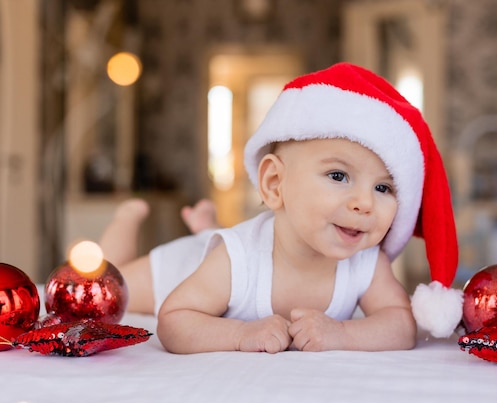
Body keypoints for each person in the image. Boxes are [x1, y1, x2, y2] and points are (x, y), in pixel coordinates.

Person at [99, 62, 462, 354]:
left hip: (237, 249)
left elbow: (399, 325)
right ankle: (129, 219)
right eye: (338, 175)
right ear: (275, 184)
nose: (364, 202)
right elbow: (174, 320)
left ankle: (207, 226)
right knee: (110, 286)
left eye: (383, 187)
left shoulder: (367, 262)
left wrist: (342, 335)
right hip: (188, 267)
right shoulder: (236, 258)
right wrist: (241, 334)